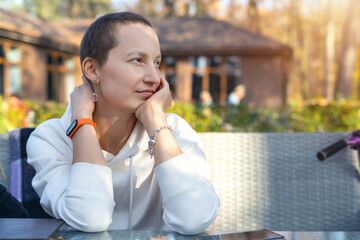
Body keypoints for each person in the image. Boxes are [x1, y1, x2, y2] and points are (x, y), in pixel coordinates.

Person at [27, 12, 219, 234]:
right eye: (137, 60)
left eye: (156, 63)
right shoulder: (50, 139)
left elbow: (195, 219)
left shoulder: (175, 131)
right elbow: (91, 218)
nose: (154, 77)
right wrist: (81, 123)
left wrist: (156, 121)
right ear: (92, 69)